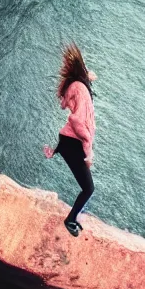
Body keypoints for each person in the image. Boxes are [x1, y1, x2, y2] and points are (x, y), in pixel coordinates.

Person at [43, 43, 97, 237]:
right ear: (80, 70)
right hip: (73, 143)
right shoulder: (81, 89)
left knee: (86, 185)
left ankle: (73, 218)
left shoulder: (76, 85)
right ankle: (70, 220)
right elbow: (76, 120)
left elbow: (66, 101)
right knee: (88, 188)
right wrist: (88, 152)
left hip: (66, 141)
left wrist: (88, 78)